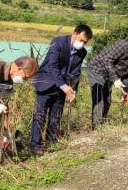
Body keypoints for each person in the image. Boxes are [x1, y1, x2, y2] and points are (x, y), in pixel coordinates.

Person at [29, 24, 93, 154]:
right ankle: (35, 145)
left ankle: (52, 142)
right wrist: (64, 86)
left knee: (56, 115)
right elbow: (52, 65)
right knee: (40, 115)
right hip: (46, 83)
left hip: (62, 88)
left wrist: (72, 89)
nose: (82, 44)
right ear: (75, 33)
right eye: (81, 40)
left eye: (85, 42)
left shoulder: (82, 52)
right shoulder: (58, 42)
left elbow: (75, 72)